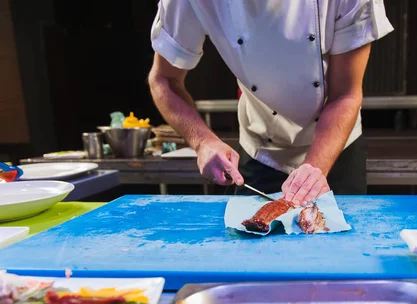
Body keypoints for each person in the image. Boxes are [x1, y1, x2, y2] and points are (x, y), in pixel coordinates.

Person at [148, 0, 393, 206]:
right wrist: (203, 142)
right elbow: (164, 80)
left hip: (335, 147)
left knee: (339, 257)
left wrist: (314, 169)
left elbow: (345, 95)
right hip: (261, 149)